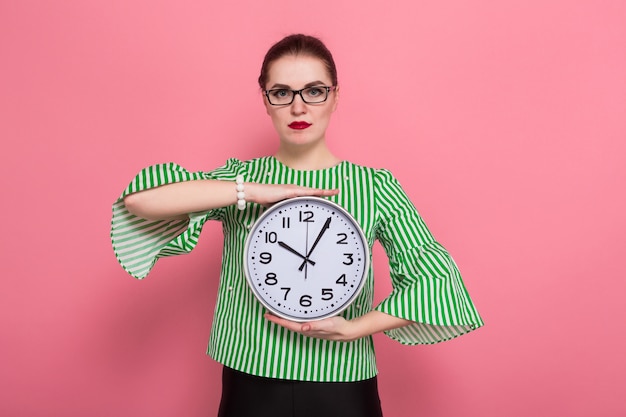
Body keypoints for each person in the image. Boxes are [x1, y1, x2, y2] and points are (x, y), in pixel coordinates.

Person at [111, 34, 483, 417]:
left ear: (336, 97)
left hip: (343, 382)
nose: (298, 106)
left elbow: (438, 283)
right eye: (282, 93)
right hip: (250, 377)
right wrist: (251, 191)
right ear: (266, 102)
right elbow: (141, 202)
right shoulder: (241, 179)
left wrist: (353, 329)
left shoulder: (375, 186)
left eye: (314, 91)